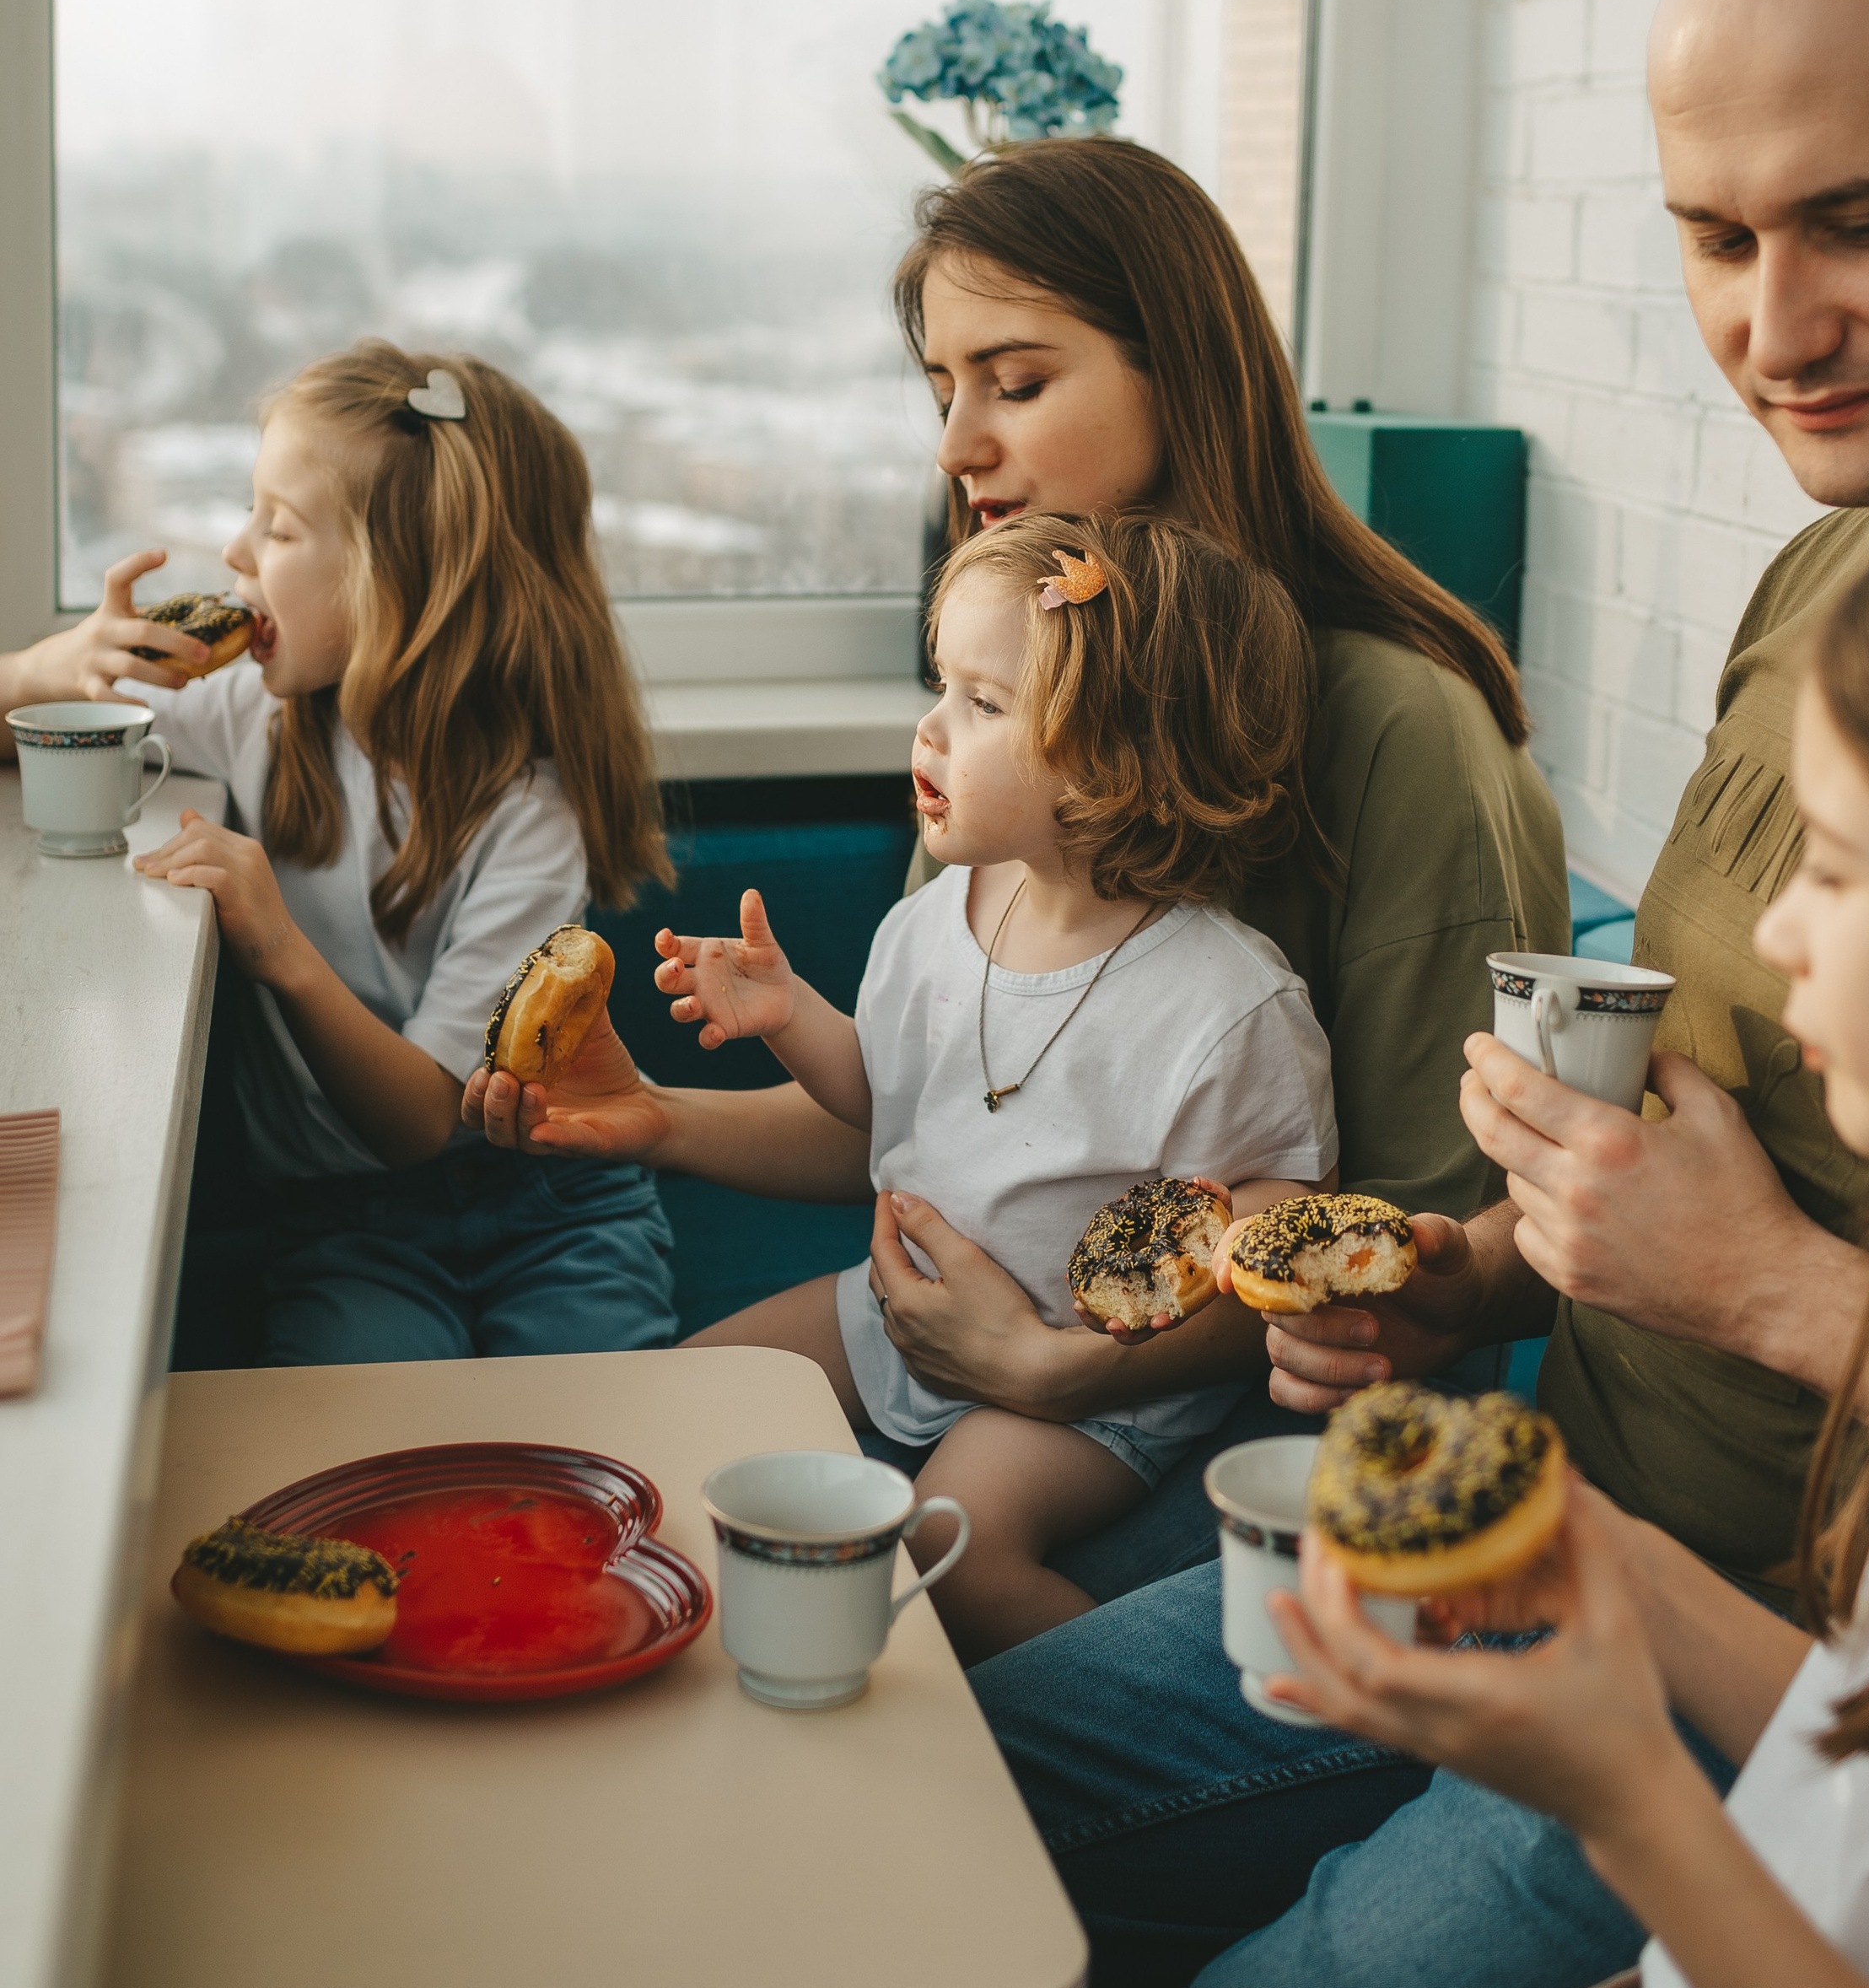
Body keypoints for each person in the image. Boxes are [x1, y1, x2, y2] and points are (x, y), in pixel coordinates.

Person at [816, 0, 1869, 1988]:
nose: (1771, 327)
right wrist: (1465, 1280)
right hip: (1533, 1501)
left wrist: (1757, 1293)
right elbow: (1690, 1136)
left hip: (1786, 1686)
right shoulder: (1827, 563)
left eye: (1856, 220)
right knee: (894, 1812)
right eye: (1710, 236)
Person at [468, 136, 1568, 1473]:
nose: (955, 443)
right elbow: (948, 1116)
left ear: (1191, 377)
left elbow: (1424, 1253)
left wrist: (1055, 1373)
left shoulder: (1408, 731)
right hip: (954, 1363)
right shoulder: (1007, 711)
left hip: (1244, 1440)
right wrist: (657, 1116)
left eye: (1019, 382)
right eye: (941, 387)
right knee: (625, 1462)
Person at [649, 513, 1337, 1661]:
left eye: (983, 704)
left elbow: (1276, 1218)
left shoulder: (1227, 1005)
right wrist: (790, 1020)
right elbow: (887, 1099)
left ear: (1119, 759)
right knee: (680, 1398)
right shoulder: (931, 921)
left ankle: (1136, 1719)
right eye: (939, 686)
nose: (930, 728)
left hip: (1079, 1376)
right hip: (894, 1310)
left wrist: (1109, 1341)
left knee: (946, 1547)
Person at [0, 342, 676, 1364]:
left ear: (400, 578)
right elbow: (36, 726)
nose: (234, 553)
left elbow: (419, 1121)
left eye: (277, 527)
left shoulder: (530, 816)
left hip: (549, 1203)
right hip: (343, 1223)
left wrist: (280, 947)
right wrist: (64, 663)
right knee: (371, 1450)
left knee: (584, 1449)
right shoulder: (252, 714)